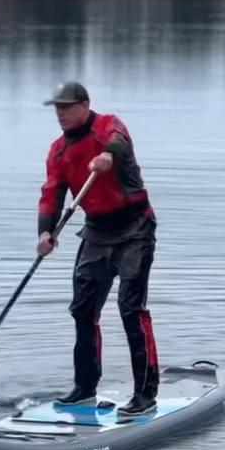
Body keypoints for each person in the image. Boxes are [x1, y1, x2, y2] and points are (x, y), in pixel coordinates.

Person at [36, 81, 159, 417]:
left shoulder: (108, 125)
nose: (60, 113)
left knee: (130, 308)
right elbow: (51, 194)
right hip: (96, 231)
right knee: (82, 310)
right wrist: (45, 232)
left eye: (67, 106)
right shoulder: (58, 151)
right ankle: (84, 388)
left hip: (134, 227)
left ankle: (145, 394)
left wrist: (108, 155)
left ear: (85, 105)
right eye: (56, 108)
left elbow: (119, 141)